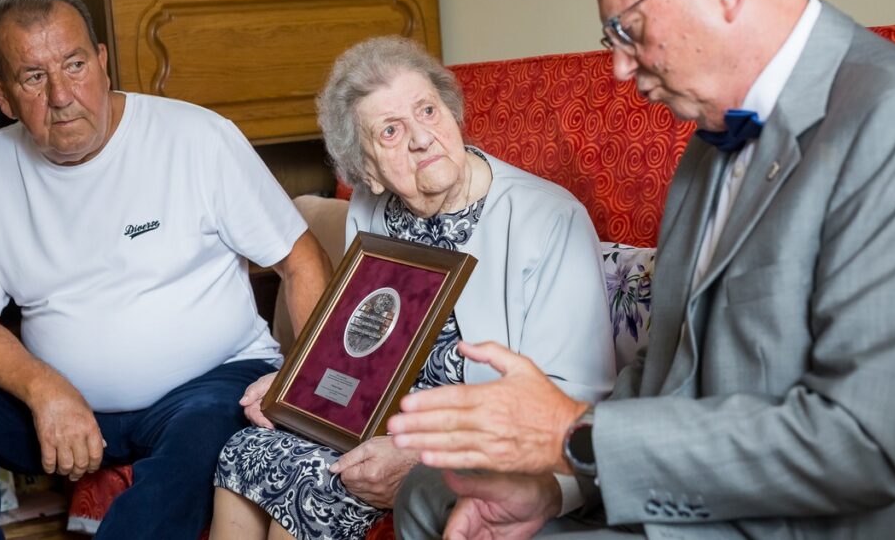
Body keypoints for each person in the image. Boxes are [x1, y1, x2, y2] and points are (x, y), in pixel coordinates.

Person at [387, 0, 895, 539]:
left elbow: (863, 442)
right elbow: (663, 362)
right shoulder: (705, 145)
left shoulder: (886, 120)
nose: (619, 70)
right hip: (675, 491)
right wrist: (555, 485)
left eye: (628, 29)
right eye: (612, 40)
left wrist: (573, 433)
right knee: (430, 492)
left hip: (786, 520)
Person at [0, 0, 331, 539]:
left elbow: (301, 258)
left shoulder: (197, 137)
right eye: (32, 77)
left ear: (101, 61)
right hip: (65, 407)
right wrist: (46, 390)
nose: (60, 95)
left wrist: (306, 386)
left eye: (74, 65)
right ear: (0, 94)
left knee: (202, 439)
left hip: (209, 384)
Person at [208, 36, 617, 540]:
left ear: (453, 111)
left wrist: (423, 455)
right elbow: (362, 340)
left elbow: (573, 400)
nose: (421, 138)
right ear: (368, 172)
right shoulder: (369, 207)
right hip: (378, 417)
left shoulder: (548, 218)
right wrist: (301, 387)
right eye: (391, 131)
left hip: (479, 437)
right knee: (246, 450)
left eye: (427, 110)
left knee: (315, 482)